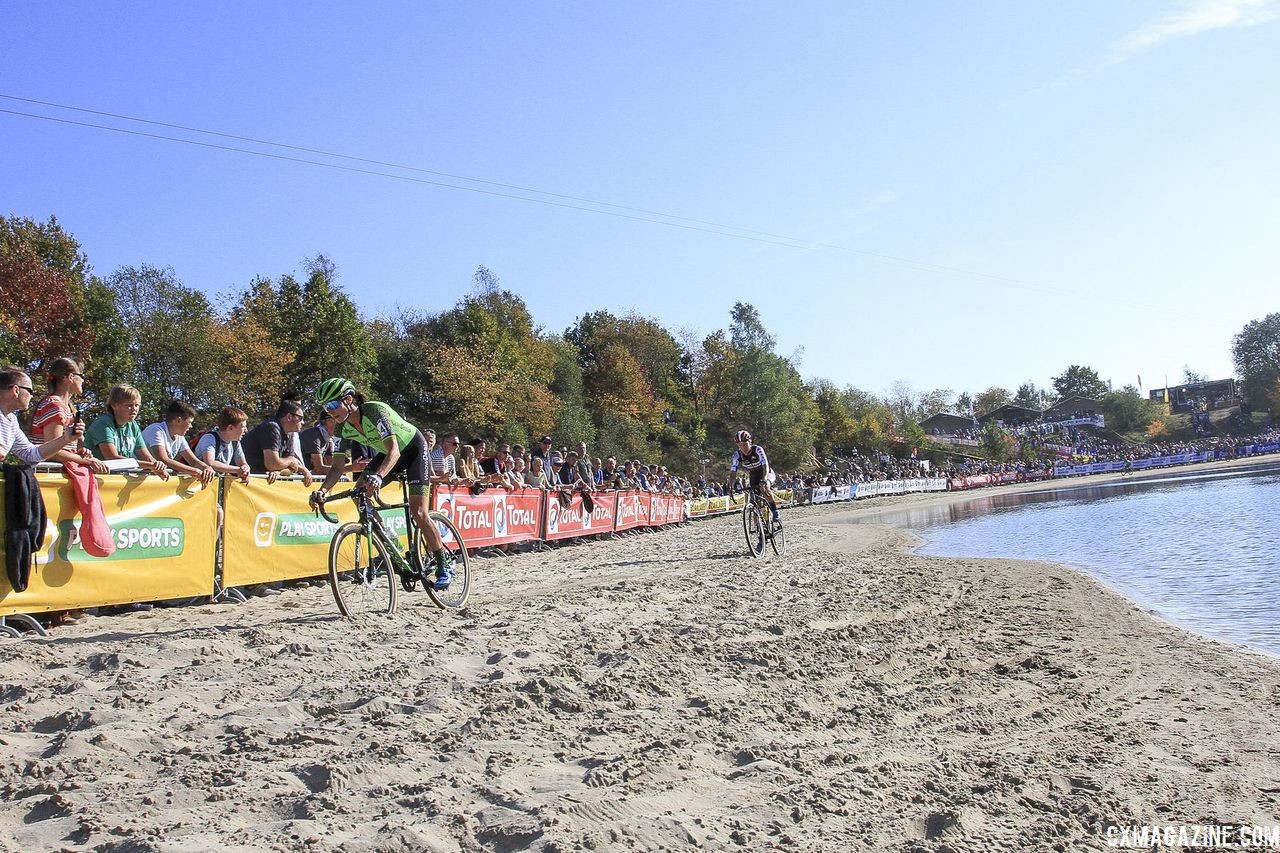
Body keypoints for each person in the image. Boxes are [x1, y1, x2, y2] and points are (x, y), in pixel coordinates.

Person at [309, 378, 454, 589]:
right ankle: (390, 540)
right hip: (388, 455)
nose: (329, 412)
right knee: (359, 494)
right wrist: (322, 490)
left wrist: (378, 476)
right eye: (325, 407)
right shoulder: (341, 428)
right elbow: (338, 466)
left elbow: (394, 449)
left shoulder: (374, 411)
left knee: (419, 512)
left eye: (332, 405)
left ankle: (444, 563)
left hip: (412, 449)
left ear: (348, 400)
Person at [27, 357, 108, 473]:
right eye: (81, 376)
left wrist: (81, 451)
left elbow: (66, 448)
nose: (83, 381)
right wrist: (86, 460)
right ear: (70, 377)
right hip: (49, 475)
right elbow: (53, 452)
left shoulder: (68, 408)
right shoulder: (54, 405)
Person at [0, 366, 89, 464]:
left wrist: (65, 439)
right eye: (30, 391)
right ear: (16, 390)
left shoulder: (11, 420)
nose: (32, 396)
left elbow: (30, 454)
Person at [84, 385, 170, 479]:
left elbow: (146, 457)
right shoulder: (103, 424)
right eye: (129, 405)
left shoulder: (133, 425)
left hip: (118, 478)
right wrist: (150, 465)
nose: (134, 409)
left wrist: (157, 465)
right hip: (96, 478)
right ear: (114, 405)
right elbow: (112, 458)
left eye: (137, 405)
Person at [142, 400, 215, 485]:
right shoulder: (156, 430)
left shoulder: (180, 437)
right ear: (178, 420)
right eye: (190, 422)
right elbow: (163, 459)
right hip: (135, 478)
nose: (191, 426)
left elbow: (193, 462)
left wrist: (207, 468)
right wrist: (194, 471)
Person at [240, 399, 312, 485]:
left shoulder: (289, 434)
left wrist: (280, 472)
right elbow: (272, 464)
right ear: (289, 417)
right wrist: (290, 461)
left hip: (257, 483)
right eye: (300, 418)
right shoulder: (271, 427)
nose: (303, 422)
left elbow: (293, 467)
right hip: (242, 482)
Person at [727, 429, 780, 524]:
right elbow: (733, 473)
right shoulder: (737, 455)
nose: (743, 447)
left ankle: (775, 511)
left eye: (745, 444)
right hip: (753, 475)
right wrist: (730, 486)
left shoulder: (758, 450)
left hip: (766, 472)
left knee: (764, 488)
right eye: (740, 445)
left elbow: (765, 466)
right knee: (754, 499)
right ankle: (758, 525)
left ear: (750, 442)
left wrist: (764, 480)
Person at [194, 406, 251, 482]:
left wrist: (245, 468)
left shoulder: (235, 442)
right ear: (230, 428)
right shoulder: (210, 438)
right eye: (243, 427)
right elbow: (210, 463)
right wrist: (238, 470)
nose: (246, 430)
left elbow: (243, 463)